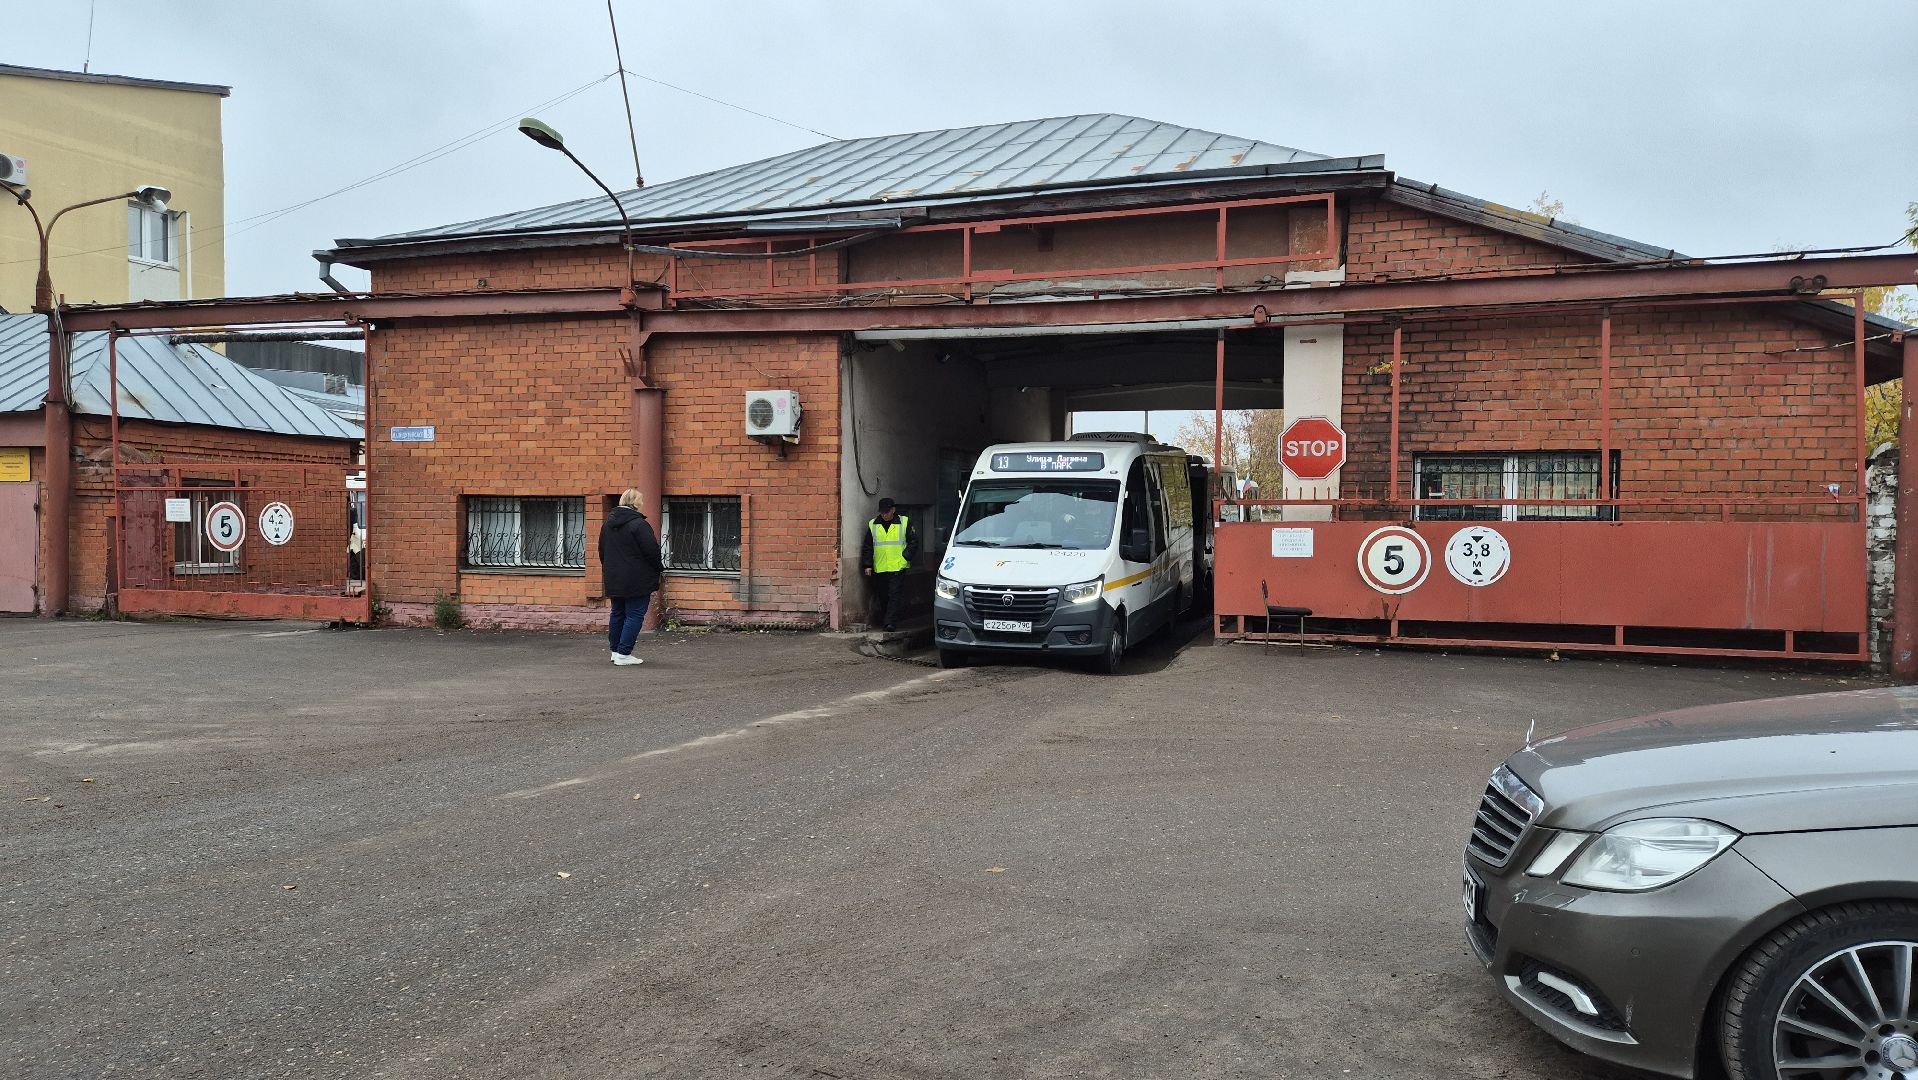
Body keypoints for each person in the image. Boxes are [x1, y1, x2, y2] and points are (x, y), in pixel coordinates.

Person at [599, 488, 664, 667]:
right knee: (634, 615)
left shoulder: (607, 524)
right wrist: (659, 569)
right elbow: (651, 551)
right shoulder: (639, 524)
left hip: (614, 576)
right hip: (637, 578)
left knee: (617, 613)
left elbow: (602, 551)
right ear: (637, 503)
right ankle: (624, 654)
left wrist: (610, 569)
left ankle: (615, 652)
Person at [860, 497, 919, 631]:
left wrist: (905, 557)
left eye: (887, 512)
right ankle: (887, 619)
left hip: (898, 566)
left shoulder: (904, 522)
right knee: (883, 596)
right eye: (882, 512)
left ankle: (890, 623)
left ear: (893, 510)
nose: (884, 514)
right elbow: (868, 546)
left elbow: (914, 542)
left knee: (894, 595)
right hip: (880, 567)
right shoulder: (873, 524)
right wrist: (867, 565)